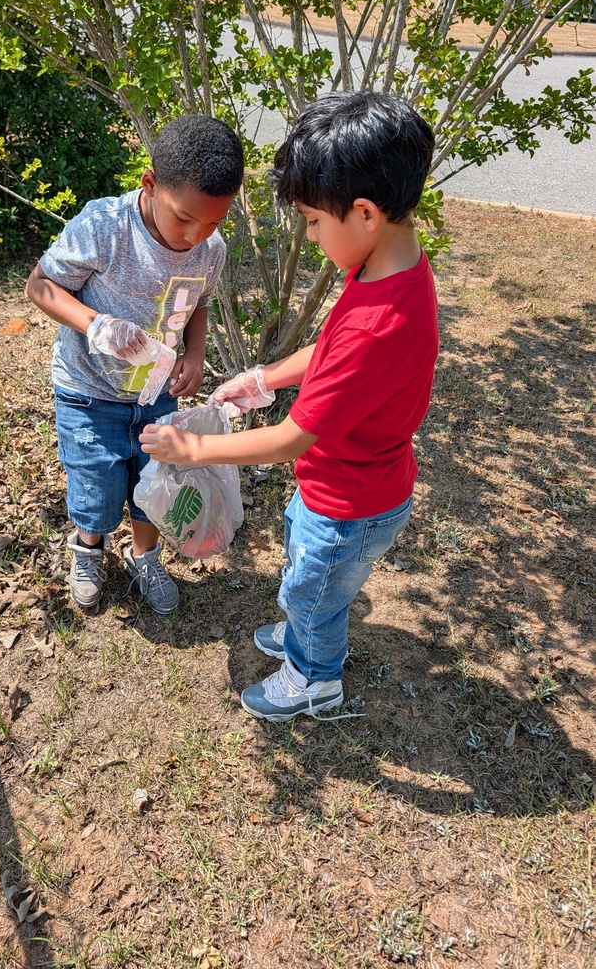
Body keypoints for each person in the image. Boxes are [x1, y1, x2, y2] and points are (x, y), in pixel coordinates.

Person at [140, 91, 439, 721]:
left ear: (362, 212)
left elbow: (287, 440)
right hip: (351, 483)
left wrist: (190, 447)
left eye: (310, 220)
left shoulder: (378, 323)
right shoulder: (392, 266)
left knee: (315, 588)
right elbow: (328, 347)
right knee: (311, 579)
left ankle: (313, 676)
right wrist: (266, 377)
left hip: (347, 503)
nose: (308, 232)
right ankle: (306, 630)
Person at [25, 115, 244, 614]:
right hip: (90, 391)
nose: (197, 234)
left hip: (157, 394)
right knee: (96, 486)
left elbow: (199, 304)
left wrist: (195, 353)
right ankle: (89, 546)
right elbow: (40, 285)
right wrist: (95, 324)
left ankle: (145, 554)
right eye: (185, 217)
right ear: (150, 184)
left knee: (155, 483)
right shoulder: (105, 228)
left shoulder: (210, 250)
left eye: (214, 222)